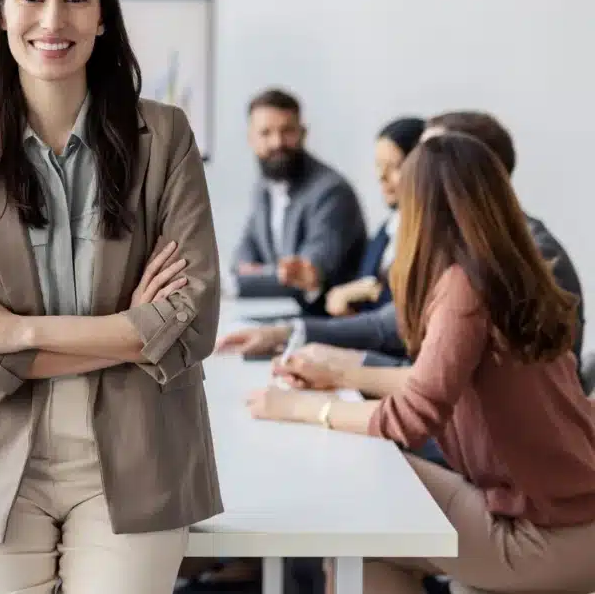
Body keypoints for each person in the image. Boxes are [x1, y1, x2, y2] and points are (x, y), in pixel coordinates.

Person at [0, 0, 222, 594]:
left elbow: (192, 322)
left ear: (103, 16)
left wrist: (18, 330)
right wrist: (133, 331)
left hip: (136, 456)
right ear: (1, 11)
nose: (53, 18)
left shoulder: (163, 138)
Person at [249, 131, 595, 594]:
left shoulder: (463, 288)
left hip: (540, 535)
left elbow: (413, 416)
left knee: (365, 502)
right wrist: (342, 372)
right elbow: (432, 381)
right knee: (370, 526)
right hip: (570, 516)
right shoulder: (511, 273)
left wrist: (298, 409)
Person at [218, 110, 586, 381]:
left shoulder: (521, 256)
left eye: (423, 160)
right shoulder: (467, 246)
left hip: (498, 451)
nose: (411, 176)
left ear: (474, 170)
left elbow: (426, 378)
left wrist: (338, 371)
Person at [232, 88, 366, 313]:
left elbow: (308, 271)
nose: (277, 143)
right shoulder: (264, 185)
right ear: (251, 139)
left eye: (287, 131)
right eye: (265, 133)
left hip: (326, 321)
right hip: (280, 313)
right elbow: (246, 250)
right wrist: (246, 268)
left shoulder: (331, 191)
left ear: (303, 133)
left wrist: (253, 276)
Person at [322, 116, 424, 317]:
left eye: (394, 166)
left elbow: (412, 308)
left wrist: (373, 292)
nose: (381, 176)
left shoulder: (432, 236)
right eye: (379, 165)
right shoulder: (386, 230)